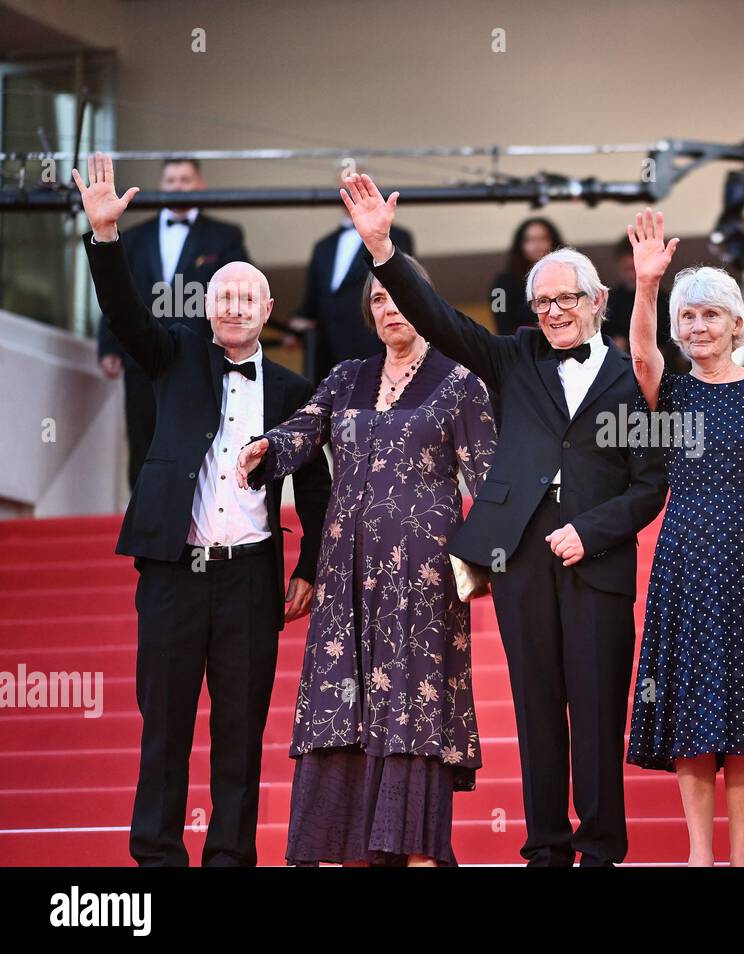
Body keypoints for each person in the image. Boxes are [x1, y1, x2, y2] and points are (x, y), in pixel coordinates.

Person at [340, 173, 668, 866]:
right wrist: (382, 249)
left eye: (566, 299)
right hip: (520, 556)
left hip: (598, 561)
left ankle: (602, 845)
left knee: (599, 710)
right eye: (542, 300)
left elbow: (650, 485)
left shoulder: (632, 376)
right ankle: (546, 845)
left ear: (597, 302)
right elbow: (440, 319)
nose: (552, 311)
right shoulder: (513, 358)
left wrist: (592, 530)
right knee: (537, 708)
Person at [73, 153, 331, 866]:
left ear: (268, 311)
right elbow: (124, 312)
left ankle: (229, 857)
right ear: (206, 305)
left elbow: (314, 484)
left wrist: (309, 565)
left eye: (250, 297)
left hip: (251, 580)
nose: (237, 306)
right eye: (225, 296)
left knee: (241, 730)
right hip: (172, 575)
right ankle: (157, 856)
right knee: (166, 727)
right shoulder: (173, 354)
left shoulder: (291, 387)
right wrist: (104, 239)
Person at [237, 254, 496, 867]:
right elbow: (304, 428)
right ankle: (352, 847)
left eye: (400, 299)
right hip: (344, 572)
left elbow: (488, 481)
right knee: (343, 701)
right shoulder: (347, 377)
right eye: (378, 301)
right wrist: (267, 449)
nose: (389, 311)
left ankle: (413, 852)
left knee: (411, 700)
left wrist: (485, 563)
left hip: (424, 573)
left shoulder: (461, 382)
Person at [623, 210, 744, 866]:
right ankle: (699, 856)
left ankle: (742, 857)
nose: (698, 327)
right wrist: (648, 289)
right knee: (691, 713)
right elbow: (641, 356)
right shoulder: (670, 391)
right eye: (688, 317)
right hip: (687, 556)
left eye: (711, 315)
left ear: (740, 322)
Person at [95, 157, 250, 488]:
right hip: (141, 357)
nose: (177, 186)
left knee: (199, 440)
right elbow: (115, 290)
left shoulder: (225, 236)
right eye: (171, 180)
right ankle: (142, 521)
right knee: (143, 438)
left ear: (200, 186)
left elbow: (240, 290)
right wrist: (108, 345)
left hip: (201, 357)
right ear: (161, 186)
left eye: (185, 180)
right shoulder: (134, 237)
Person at [292, 166, 415, 382]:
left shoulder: (396, 237)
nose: (351, 192)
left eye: (358, 185)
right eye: (344, 187)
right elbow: (314, 298)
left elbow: (402, 287)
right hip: (327, 356)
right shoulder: (323, 246)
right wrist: (298, 323)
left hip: (373, 349)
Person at [603, 235, 684, 371]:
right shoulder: (609, 301)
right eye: (628, 268)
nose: (633, 275)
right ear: (619, 267)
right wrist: (612, 344)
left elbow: (677, 341)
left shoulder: (667, 300)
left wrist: (661, 352)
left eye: (636, 268)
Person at [488, 216, 563, 335]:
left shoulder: (570, 278)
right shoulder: (501, 285)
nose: (537, 245)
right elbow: (501, 324)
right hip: (521, 347)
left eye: (543, 238)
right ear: (520, 245)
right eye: (530, 240)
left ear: (554, 242)